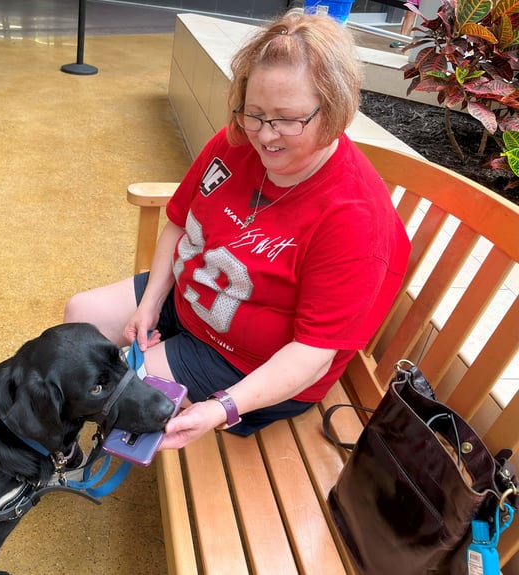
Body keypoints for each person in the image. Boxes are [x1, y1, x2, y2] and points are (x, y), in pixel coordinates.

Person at [64, 11, 411, 451]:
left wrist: (223, 407)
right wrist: (150, 304)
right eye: (255, 112)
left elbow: (311, 354)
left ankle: (72, 452)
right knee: (79, 318)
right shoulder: (235, 141)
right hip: (195, 295)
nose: (265, 136)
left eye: (287, 119)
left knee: (124, 389)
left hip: (250, 361)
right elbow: (178, 220)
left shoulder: (356, 219)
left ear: (335, 111)